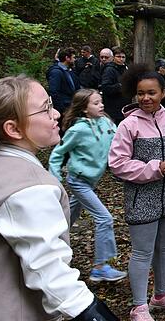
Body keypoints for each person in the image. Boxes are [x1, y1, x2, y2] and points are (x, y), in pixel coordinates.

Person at [0, 76, 117, 320]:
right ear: (13, 128)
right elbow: (48, 269)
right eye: (45, 109)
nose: (55, 114)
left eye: (51, 104)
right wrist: (93, 313)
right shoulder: (30, 188)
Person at [108, 65, 165, 321]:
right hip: (141, 199)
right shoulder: (128, 125)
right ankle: (139, 306)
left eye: (151, 93)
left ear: (163, 94)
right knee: (142, 252)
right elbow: (118, 164)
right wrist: (157, 167)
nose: (145, 98)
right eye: (140, 93)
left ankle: (161, 295)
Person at [48, 88, 126, 283]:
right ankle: (100, 267)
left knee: (68, 216)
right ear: (84, 109)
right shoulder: (78, 130)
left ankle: (51, 243)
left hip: (91, 181)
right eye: (96, 103)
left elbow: (120, 142)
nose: (101, 105)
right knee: (104, 218)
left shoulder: (107, 123)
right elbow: (58, 154)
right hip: (78, 180)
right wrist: (55, 179)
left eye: (101, 102)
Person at [100, 46, 130, 124]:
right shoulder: (109, 70)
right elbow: (106, 88)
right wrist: (120, 86)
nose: (121, 59)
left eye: (123, 57)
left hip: (124, 107)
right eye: (118, 56)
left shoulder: (125, 69)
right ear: (113, 57)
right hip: (113, 109)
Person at [47, 47, 81, 114]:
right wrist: (62, 110)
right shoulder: (56, 72)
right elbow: (54, 92)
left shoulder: (68, 70)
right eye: (73, 57)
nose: (75, 60)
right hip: (63, 110)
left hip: (70, 107)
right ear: (67, 58)